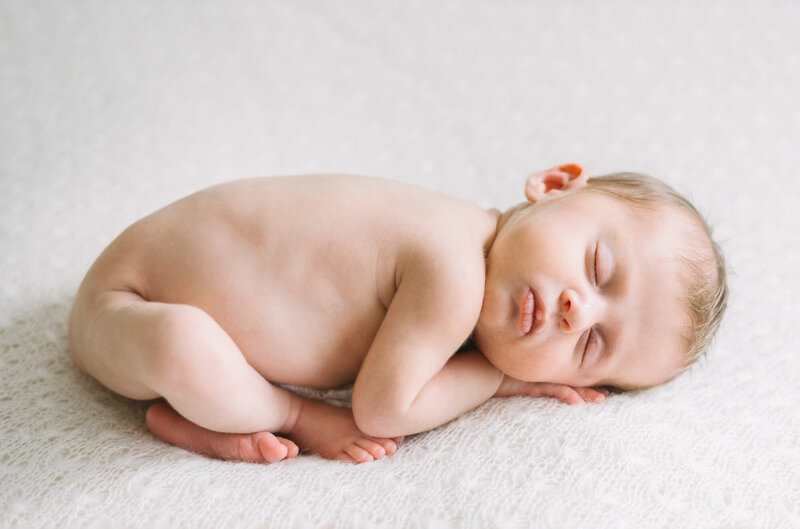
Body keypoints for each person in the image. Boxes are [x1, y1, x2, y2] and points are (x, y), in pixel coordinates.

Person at [67, 164, 727, 464]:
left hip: (143, 284)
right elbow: (383, 408)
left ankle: (188, 417)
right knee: (184, 345)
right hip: (125, 305)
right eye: (597, 267)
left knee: (190, 348)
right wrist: (497, 379)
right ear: (552, 185)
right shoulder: (452, 267)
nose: (574, 310)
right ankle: (286, 412)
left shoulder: (462, 235)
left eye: (592, 346)